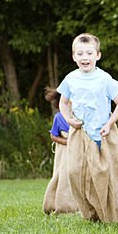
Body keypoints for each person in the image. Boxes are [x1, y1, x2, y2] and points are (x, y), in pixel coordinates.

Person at [58, 34, 118, 223]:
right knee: (75, 172)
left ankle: (113, 213)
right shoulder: (70, 79)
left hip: (102, 133)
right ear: (74, 57)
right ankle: (89, 213)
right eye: (80, 53)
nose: (85, 57)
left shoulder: (104, 79)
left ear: (97, 55)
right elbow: (63, 103)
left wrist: (109, 124)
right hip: (80, 132)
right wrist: (69, 119)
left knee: (103, 174)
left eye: (89, 53)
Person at [42, 87, 79, 215]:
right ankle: (59, 203)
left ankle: (79, 205)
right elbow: (53, 135)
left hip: (79, 150)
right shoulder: (59, 117)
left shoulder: (79, 117)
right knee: (63, 176)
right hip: (64, 152)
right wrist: (67, 142)